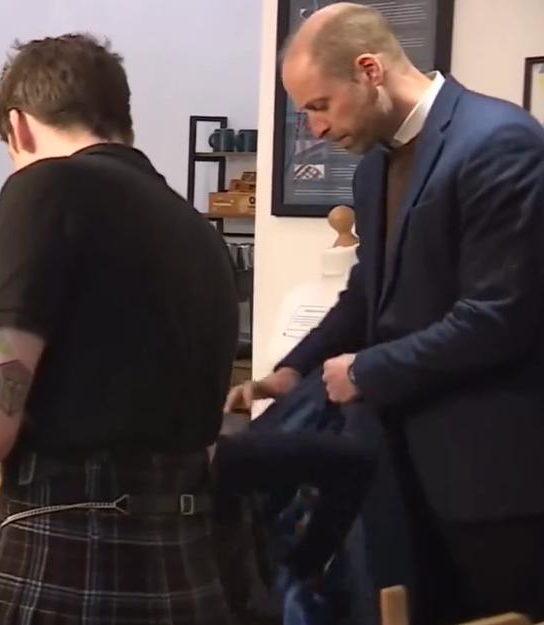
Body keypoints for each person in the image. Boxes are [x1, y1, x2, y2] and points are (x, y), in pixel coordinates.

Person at [226, 3, 544, 623]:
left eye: (320, 105)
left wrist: (364, 371)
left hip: (494, 484)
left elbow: (499, 317)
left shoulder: (500, 144)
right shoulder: (373, 169)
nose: (315, 129)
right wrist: (293, 371)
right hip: (397, 475)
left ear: (369, 70)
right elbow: (366, 295)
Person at [0, 34, 239, 625]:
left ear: (19, 127)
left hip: (66, 569)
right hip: (186, 576)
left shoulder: (45, 185)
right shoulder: (201, 235)